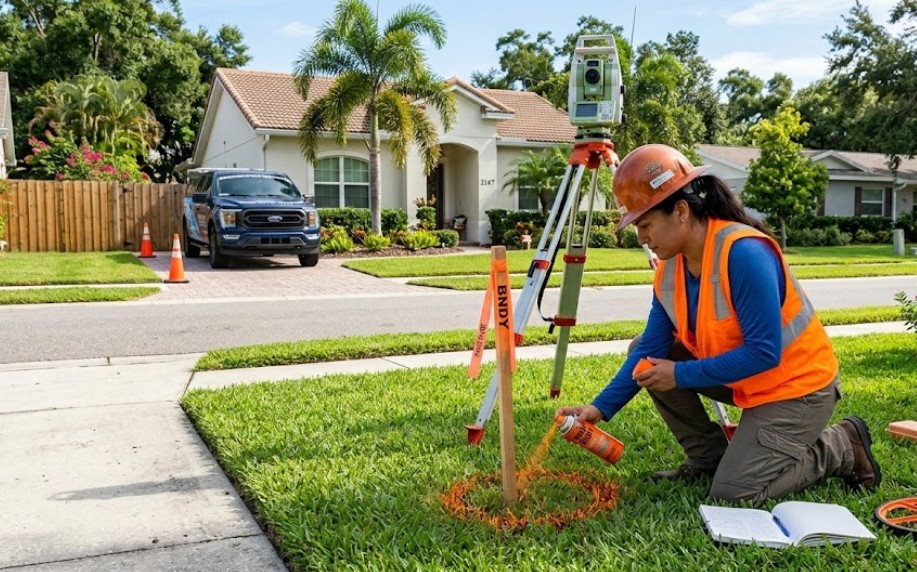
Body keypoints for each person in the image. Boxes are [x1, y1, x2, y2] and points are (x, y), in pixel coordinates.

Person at [556, 143, 881, 505]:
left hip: (797, 389)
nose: (640, 237)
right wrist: (599, 408)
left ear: (680, 211)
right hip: (748, 380)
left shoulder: (744, 253)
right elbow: (651, 347)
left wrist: (679, 375)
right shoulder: (670, 269)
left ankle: (841, 447)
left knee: (735, 495)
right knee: (644, 356)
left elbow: (764, 353)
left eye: (645, 223)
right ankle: (708, 459)